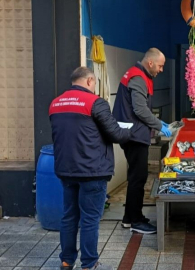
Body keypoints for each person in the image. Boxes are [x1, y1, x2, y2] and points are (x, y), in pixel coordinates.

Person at [49, 67, 132, 270]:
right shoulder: (95, 103)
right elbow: (116, 135)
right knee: (89, 219)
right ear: (89, 81)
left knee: (69, 216)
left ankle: (67, 260)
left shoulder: (55, 103)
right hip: (92, 171)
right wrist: (133, 131)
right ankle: (89, 263)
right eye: (94, 83)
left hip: (66, 170)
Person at [112, 48, 172, 234]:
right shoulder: (138, 78)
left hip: (134, 133)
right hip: (134, 136)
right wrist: (159, 125)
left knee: (136, 177)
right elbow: (140, 110)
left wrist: (156, 124)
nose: (161, 70)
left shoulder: (139, 75)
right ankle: (136, 221)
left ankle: (129, 218)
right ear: (151, 63)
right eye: (160, 66)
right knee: (138, 178)